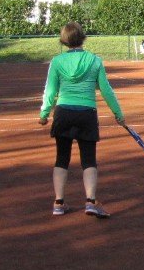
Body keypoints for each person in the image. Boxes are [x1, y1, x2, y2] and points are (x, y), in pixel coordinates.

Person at [39, 22, 124, 218]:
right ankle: (90, 201)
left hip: (63, 112)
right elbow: (106, 90)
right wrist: (118, 113)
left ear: (64, 40)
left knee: (62, 158)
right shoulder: (94, 60)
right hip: (86, 112)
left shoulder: (57, 62)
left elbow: (50, 91)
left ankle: (58, 203)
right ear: (82, 38)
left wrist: (44, 114)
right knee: (89, 159)